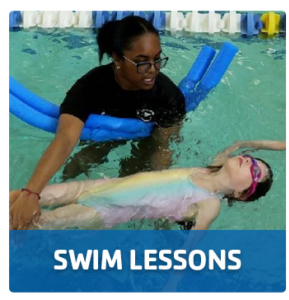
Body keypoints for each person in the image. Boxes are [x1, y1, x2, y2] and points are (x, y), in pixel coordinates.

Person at [8, 16, 187, 230]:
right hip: (102, 135)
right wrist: (31, 193)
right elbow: (65, 139)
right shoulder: (90, 88)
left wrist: (160, 200)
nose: (152, 69)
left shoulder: (168, 96)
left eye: (157, 59)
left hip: (145, 138)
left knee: (133, 183)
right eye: (141, 62)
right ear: (117, 59)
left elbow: (163, 149)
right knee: (79, 164)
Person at [9, 140, 282, 231]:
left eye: (256, 170)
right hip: (96, 187)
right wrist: (263, 147)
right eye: (251, 159)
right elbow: (246, 143)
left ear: (242, 194)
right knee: (23, 197)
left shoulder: (209, 204)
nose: (250, 161)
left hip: (105, 212)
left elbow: (191, 250)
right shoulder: (212, 166)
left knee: (39, 221)